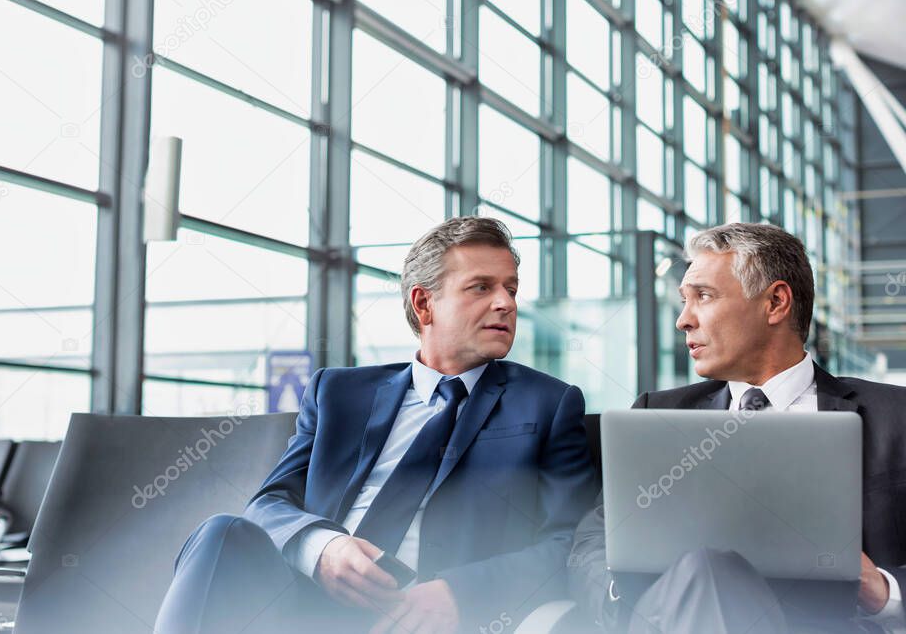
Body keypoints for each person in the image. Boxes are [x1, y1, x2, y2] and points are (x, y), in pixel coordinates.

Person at [155, 216, 598, 633]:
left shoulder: (549, 403)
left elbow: (572, 542)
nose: (505, 303)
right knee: (221, 533)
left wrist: (462, 594)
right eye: (481, 287)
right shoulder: (337, 393)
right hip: (301, 603)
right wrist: (321, 548)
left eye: (511, 289)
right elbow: (269, 503)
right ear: (424, 304)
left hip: (419, 614)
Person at [568, 222, 906, 634]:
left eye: (703, 297)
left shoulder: (896, 418)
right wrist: (624, 592)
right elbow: (591, 543)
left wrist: (884, 590)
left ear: (776, 303)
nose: (683, 321)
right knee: (707, 574)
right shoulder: (656, 414)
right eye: (683, 300)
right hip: (682, 617)